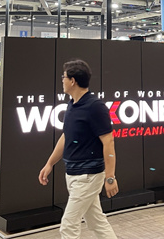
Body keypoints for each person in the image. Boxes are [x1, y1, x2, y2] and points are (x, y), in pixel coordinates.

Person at [39, 59, 118, 239]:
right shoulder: (72, 105)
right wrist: (50, 163)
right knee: (96, 222)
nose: (62, 80)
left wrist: (110, 177)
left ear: (73, 81)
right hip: (74, 174)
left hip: (88, 176)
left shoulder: (95, 106)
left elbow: (108, 142)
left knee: (68, 225)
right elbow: (66, 136)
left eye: (64, 77)